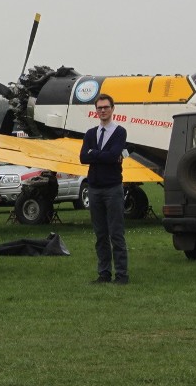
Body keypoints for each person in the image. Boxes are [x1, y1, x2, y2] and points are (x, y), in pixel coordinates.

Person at [80, 94, 129, 285]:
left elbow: (114, 156)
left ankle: (122, 274)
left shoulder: (119, 132)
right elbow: (83, 157)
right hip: (94, 188)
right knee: (100, 234)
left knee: (116, 233)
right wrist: (102, 155)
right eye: (99, 108)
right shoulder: (91, 133)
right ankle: (104, 273)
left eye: (106, 107)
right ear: (96, 110)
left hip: (113, 188)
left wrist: (95, 154)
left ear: (112, 109)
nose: (102, 110)